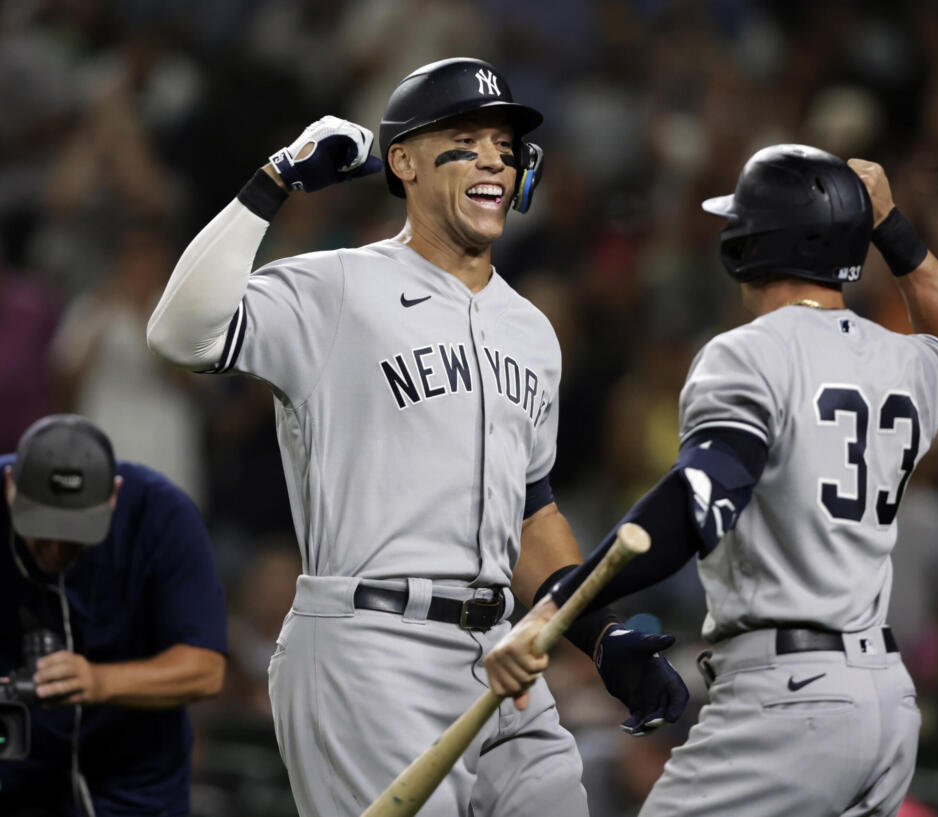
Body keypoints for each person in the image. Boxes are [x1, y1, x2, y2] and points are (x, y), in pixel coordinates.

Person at [145, 57, 686, 817]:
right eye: (464, 140)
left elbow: (531, 514)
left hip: (500, 651)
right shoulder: (336, 285)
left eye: (504, 144)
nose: (495, 156)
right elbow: (180, 334)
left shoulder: (532, 329)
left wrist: (597, 635)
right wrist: (274, 180)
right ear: (403, 162)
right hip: (370, 645)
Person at [486, 145, 938, 816]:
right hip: (887, 703)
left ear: (749, 243)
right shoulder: (899, 359)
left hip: (789, 698)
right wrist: (892, 226)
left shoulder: (748, 352)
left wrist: (561, 606)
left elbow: (698, 501)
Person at [0, 414, 226, 816]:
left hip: (137, 787)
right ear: (10, 485)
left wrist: (99, 681)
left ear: (113, 496)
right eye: (40, 529)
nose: (53, 551)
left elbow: (205, 667)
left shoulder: (160, 512)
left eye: (72, 535)